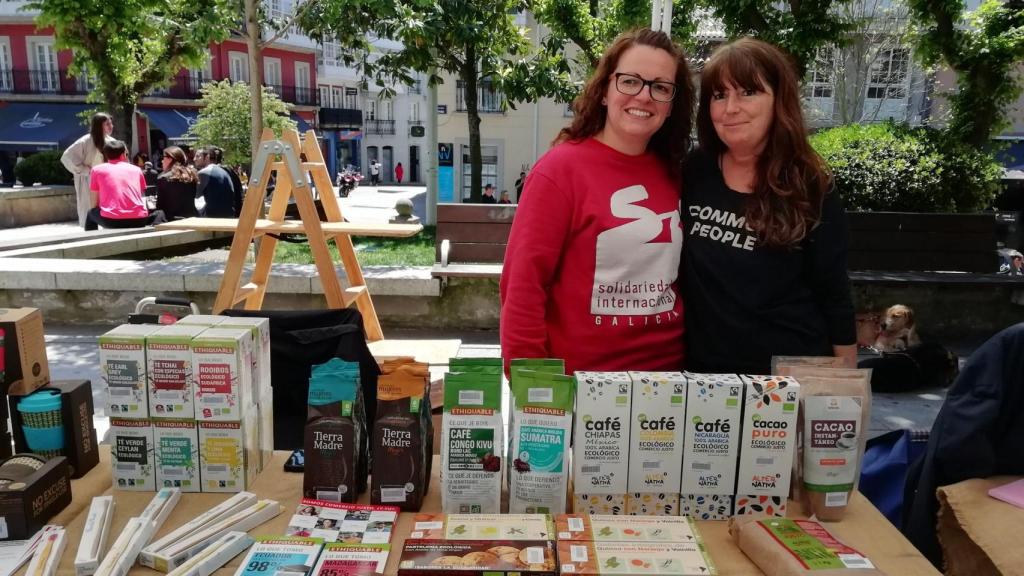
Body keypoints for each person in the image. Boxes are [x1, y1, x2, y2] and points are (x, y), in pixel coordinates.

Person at [500, 28, 694, 374]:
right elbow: (523, 286)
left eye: (660, 87)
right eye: (630, 81)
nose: (644, 96)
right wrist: (532, 387)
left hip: (668, 385)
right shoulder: (560, 171)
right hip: (581, 387)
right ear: (605, 90)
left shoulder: (676, 172)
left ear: (671, 104)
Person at [681, 37, 856, 374]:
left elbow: (833, 291)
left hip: (788, 378)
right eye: (719, 95)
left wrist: (845, 383)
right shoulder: (695, 171)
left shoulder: (810, 184)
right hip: (704, 379)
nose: (731, 107)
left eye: (748, 92)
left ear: (779, 100)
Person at [85, 139, 166, 231]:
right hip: (138, 220)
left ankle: (92, 241)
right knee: (159, 213)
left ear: (106, 155)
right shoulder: (137, 170)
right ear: (123, 154)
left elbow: (94, 201)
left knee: (90, 213)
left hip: (111, 221)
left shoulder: (96, 170)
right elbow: (139, 195)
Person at [61, 112, 113, 227]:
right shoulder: (85, 141)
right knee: (90, 211)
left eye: (111, 123)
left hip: (107, 182)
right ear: (99, 126)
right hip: (89, 182)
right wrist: (84, 170)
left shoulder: (112, 142)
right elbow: (67, 157)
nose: (111, 126)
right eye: (107, 124)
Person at [155, 146, 199, 220]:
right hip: (192, 216)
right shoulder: (192, 175)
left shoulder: (164, 178)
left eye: (163, 158)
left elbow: (160, 205)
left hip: (172, 219)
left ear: (170, 158)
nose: (162, 161)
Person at [194, 146, 237, 217]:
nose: (194, 159)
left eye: (198, 156)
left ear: (207, 157)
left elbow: (196, 195)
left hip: (213, 216)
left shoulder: (204, 172)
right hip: (229, 215)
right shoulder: (223, 171)